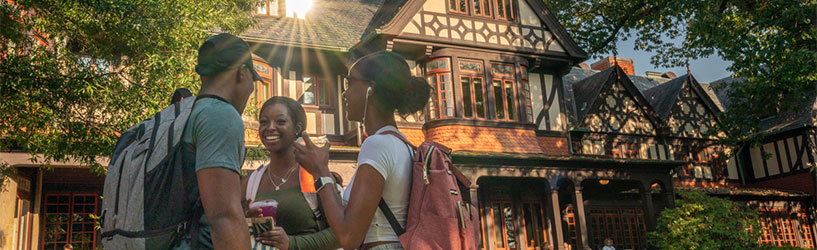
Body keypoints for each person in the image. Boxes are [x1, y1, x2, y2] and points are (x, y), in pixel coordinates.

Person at [295, 51, 431, 250]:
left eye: (349, 83)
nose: (344, 93)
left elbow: (348, 237)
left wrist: (320, 172)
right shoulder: (405, 146)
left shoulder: (377, 144)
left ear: (370, 88)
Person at [174, 33, 260, 250]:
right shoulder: (220, 115)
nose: (251, 89)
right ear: (242, 73)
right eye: (253, 81)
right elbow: (223, 217)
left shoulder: (177, 114)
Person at [241, 96, 341, 250]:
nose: (270, 128)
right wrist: (246, 223)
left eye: (280, 121)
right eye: (264, 122)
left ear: (298, 128)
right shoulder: (251, 182)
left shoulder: (315, 176)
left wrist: (291, 243)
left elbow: (341, 234)